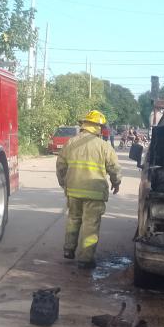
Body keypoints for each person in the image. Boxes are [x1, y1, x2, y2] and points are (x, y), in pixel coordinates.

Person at [56, 110, 122, 269]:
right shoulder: (104, 146)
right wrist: (116, 182)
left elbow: (60, 166)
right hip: (95, 193)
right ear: (98, 127)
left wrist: (64, 183)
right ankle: (85, 259)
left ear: (84, 124)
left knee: (73, 219)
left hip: (73, 191)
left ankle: (69, 249)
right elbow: (114, 168)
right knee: (90, 225)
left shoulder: (70, 143)